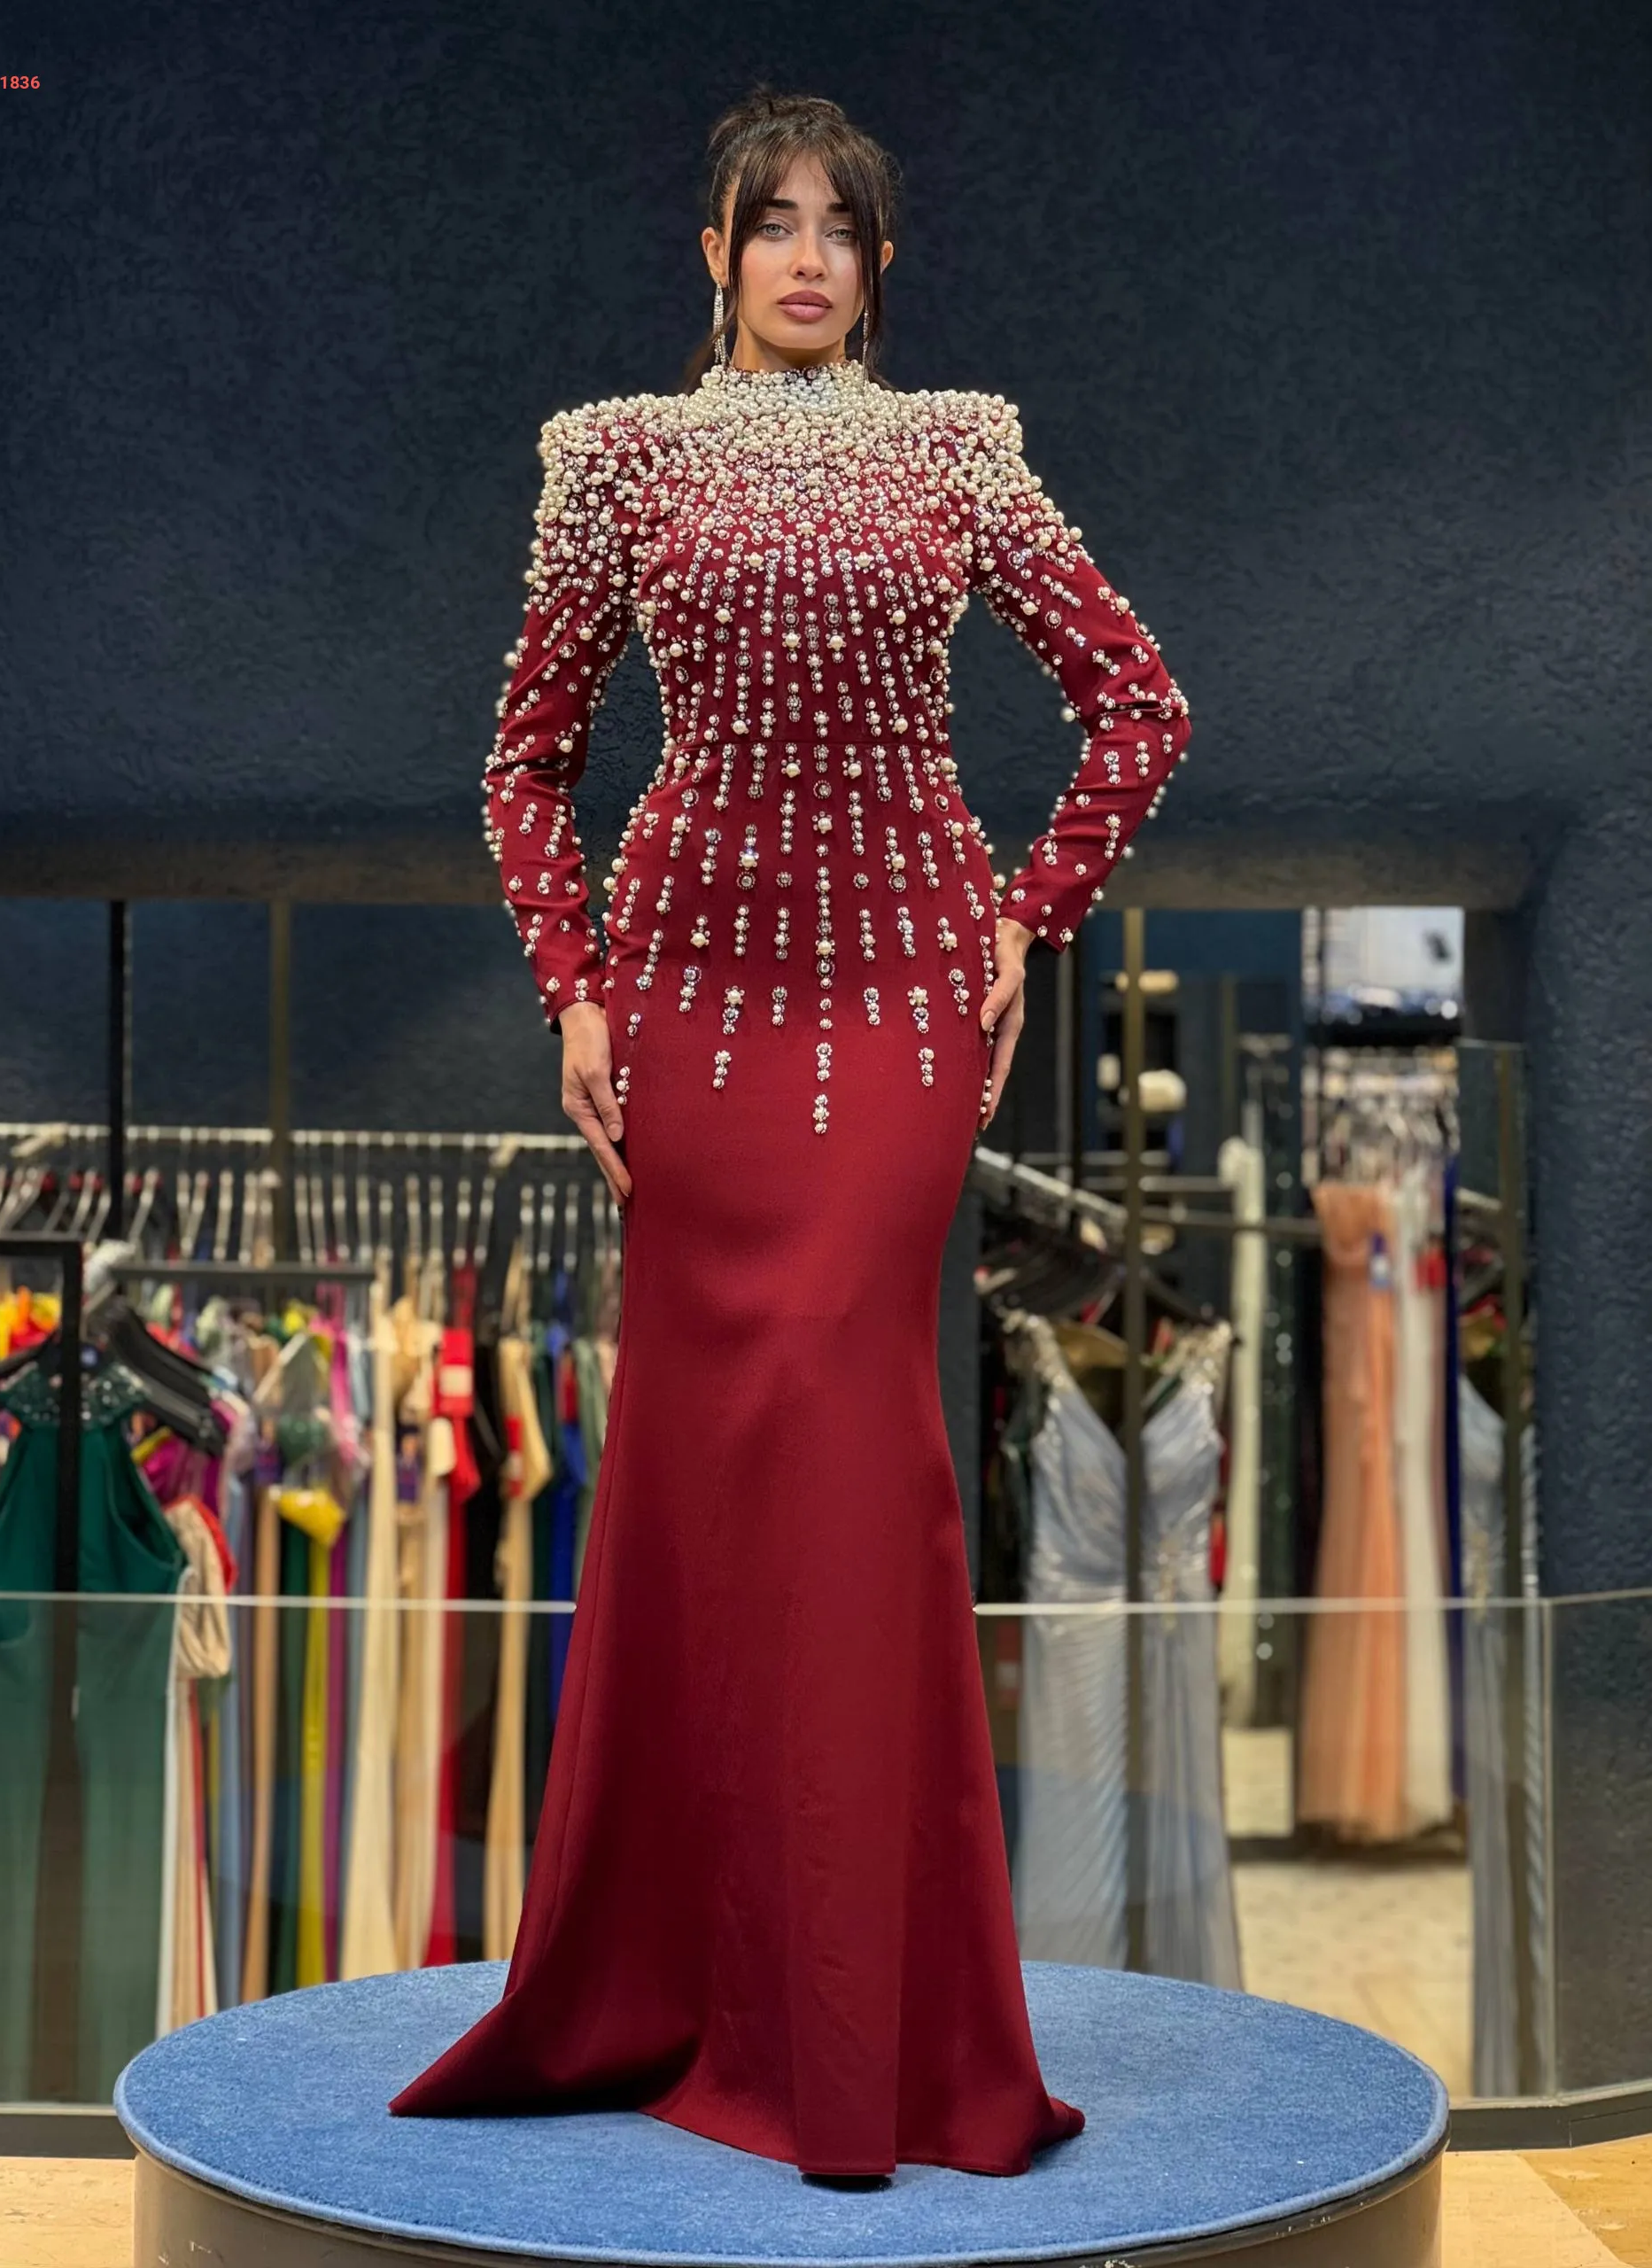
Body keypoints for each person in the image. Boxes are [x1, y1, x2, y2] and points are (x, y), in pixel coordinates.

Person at [391, 85, 1191, 2180]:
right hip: (684, 1013)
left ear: (881, 263)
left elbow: (1139, 704)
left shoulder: (959, 449)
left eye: (840, 223)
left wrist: (1025, 913)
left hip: (901, 1007)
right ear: (716, 255)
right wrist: (573, 984)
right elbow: (525, 759)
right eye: (771, 222)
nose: (806, 254)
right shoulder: (613, 458)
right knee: (692, 1475)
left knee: (854, 1455)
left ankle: (868, 2030)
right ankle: (675, 1982)